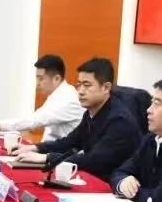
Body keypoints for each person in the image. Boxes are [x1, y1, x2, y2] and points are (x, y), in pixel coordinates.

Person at [12, 57, 141, 180]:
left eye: (87, 85)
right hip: (94, 177)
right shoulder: (90, 112)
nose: (80, 91)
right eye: (79, 84)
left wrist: (47, 158)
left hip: (114, 184)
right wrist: (36, 148)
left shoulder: (119, 121)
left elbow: (94, 160)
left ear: (106, 88)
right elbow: (70, 142)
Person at [0, 54, 83, 141]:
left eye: (41, 78)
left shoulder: (67, 100)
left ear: (56, 79)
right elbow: (33, 119)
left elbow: (33, 121)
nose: (37, 84)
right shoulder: (58, 94)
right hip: (52, 151)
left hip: (66, 158)